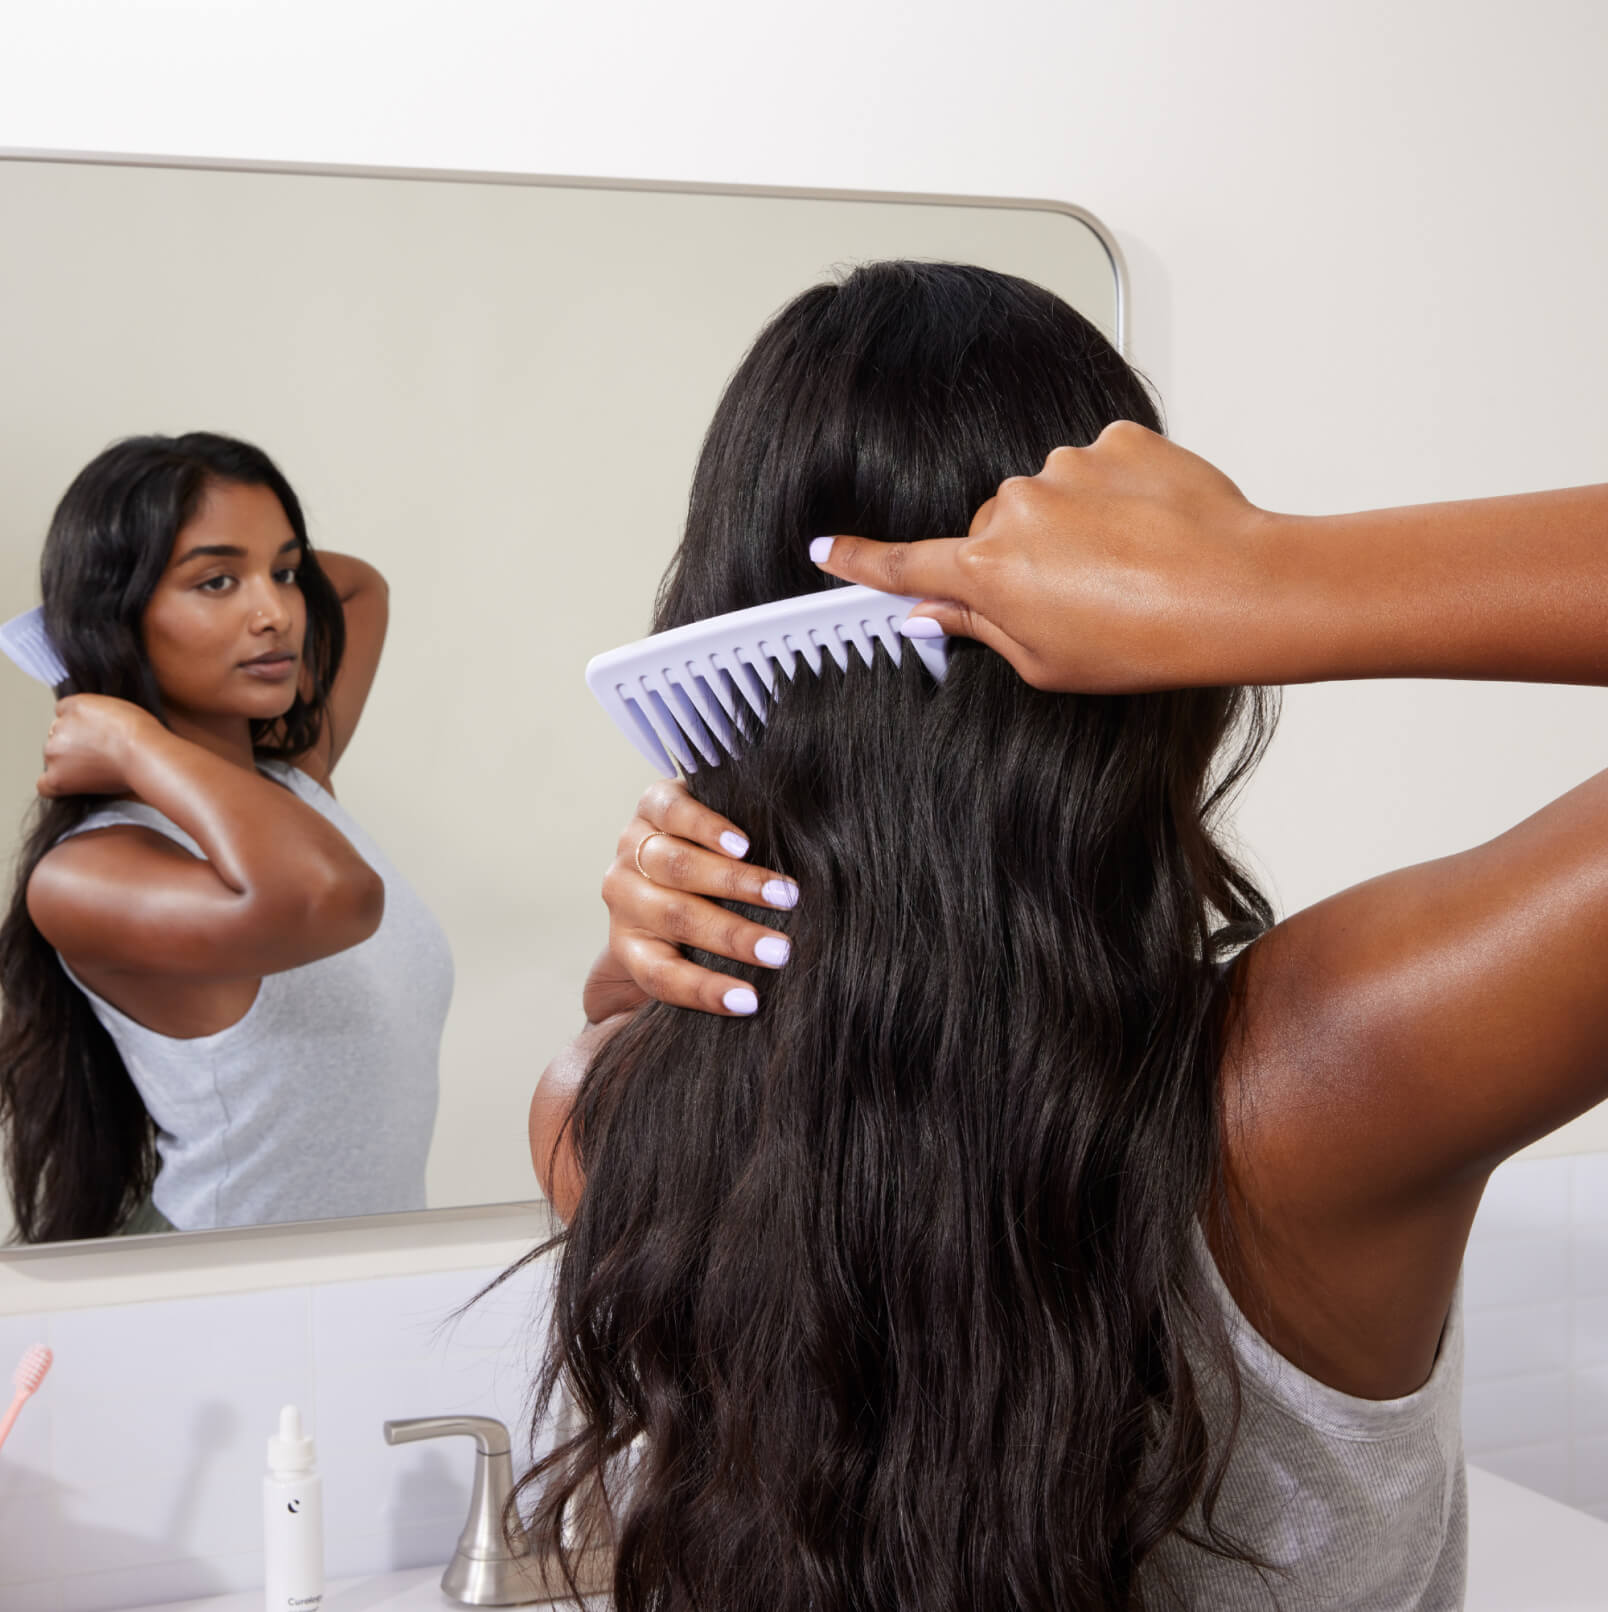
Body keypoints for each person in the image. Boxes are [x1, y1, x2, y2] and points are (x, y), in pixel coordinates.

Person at [524, 259, 1607, 1611]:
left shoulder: (602, 1124)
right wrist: (1272, 574)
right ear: (1158, 671)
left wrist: (651, 957)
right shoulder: (1327, 1081)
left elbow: (647, 1041)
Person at [0, 432, 451, 1242]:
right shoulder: (87, 874)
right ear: (120, 613)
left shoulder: (294, 783)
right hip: (214, 1291)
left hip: (361, 1286)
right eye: (216, 582)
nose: (275, 615)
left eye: (284, 574)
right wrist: (131, 737)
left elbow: (358, 589)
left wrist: (230, 569)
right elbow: (334, 898)